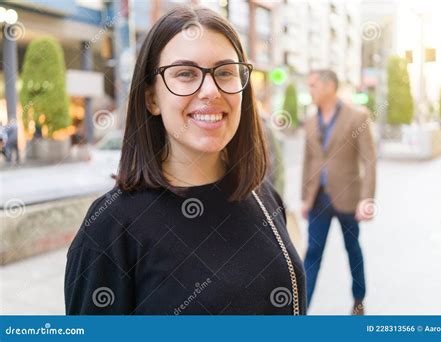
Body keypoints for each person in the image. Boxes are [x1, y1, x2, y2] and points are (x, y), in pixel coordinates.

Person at [65, 5, 306, 315]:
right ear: (151, 98)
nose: (210, 90)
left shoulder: (262, 195)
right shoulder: (110, 229)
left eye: (224, 72)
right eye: (185, 74)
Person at [301, 70, 376, 315]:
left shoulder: (357, 117)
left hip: (348, 198)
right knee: (312, 253)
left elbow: (369, 161)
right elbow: (309, 160)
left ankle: (358, 299)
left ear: (329, 86)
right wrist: (305, 197)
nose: (309, 90)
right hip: (318, 199)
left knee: (352, 249)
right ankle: (301, 309)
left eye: (313, 85)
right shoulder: (310, 120)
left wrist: (367, 198)